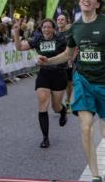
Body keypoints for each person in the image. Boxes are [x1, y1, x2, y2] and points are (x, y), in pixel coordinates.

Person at [38, 0, 105, 182]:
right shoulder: (76, 28)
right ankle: (96, 177)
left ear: (97, 3)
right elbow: (68, 55)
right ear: (81, 1)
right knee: (86, 126)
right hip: (84, 80)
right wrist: (48, 61)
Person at [14, 19, 69, 148]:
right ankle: (45, 138)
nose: (46, 30)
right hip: (44, 74)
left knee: (55, 107)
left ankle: (62, 111)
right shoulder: (38, 39)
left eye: (49, 27)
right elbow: (20, 47)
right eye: (44, 27)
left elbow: (68, 53)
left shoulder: (61, 39)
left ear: (53, 29)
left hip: (59, 74)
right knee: (43, 103)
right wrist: (16, 33)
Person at [56, 13, 75, 108]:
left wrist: (71, 59)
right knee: (59, 83)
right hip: (57, 62)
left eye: (62, 19)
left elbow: (75, 47)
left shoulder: (69, 34)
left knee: (68, 84)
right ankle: (58, 102)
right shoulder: (54, 34)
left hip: (67, 61)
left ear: (66, 22)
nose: (60, 21)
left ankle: (68, 100)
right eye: (58, 19)